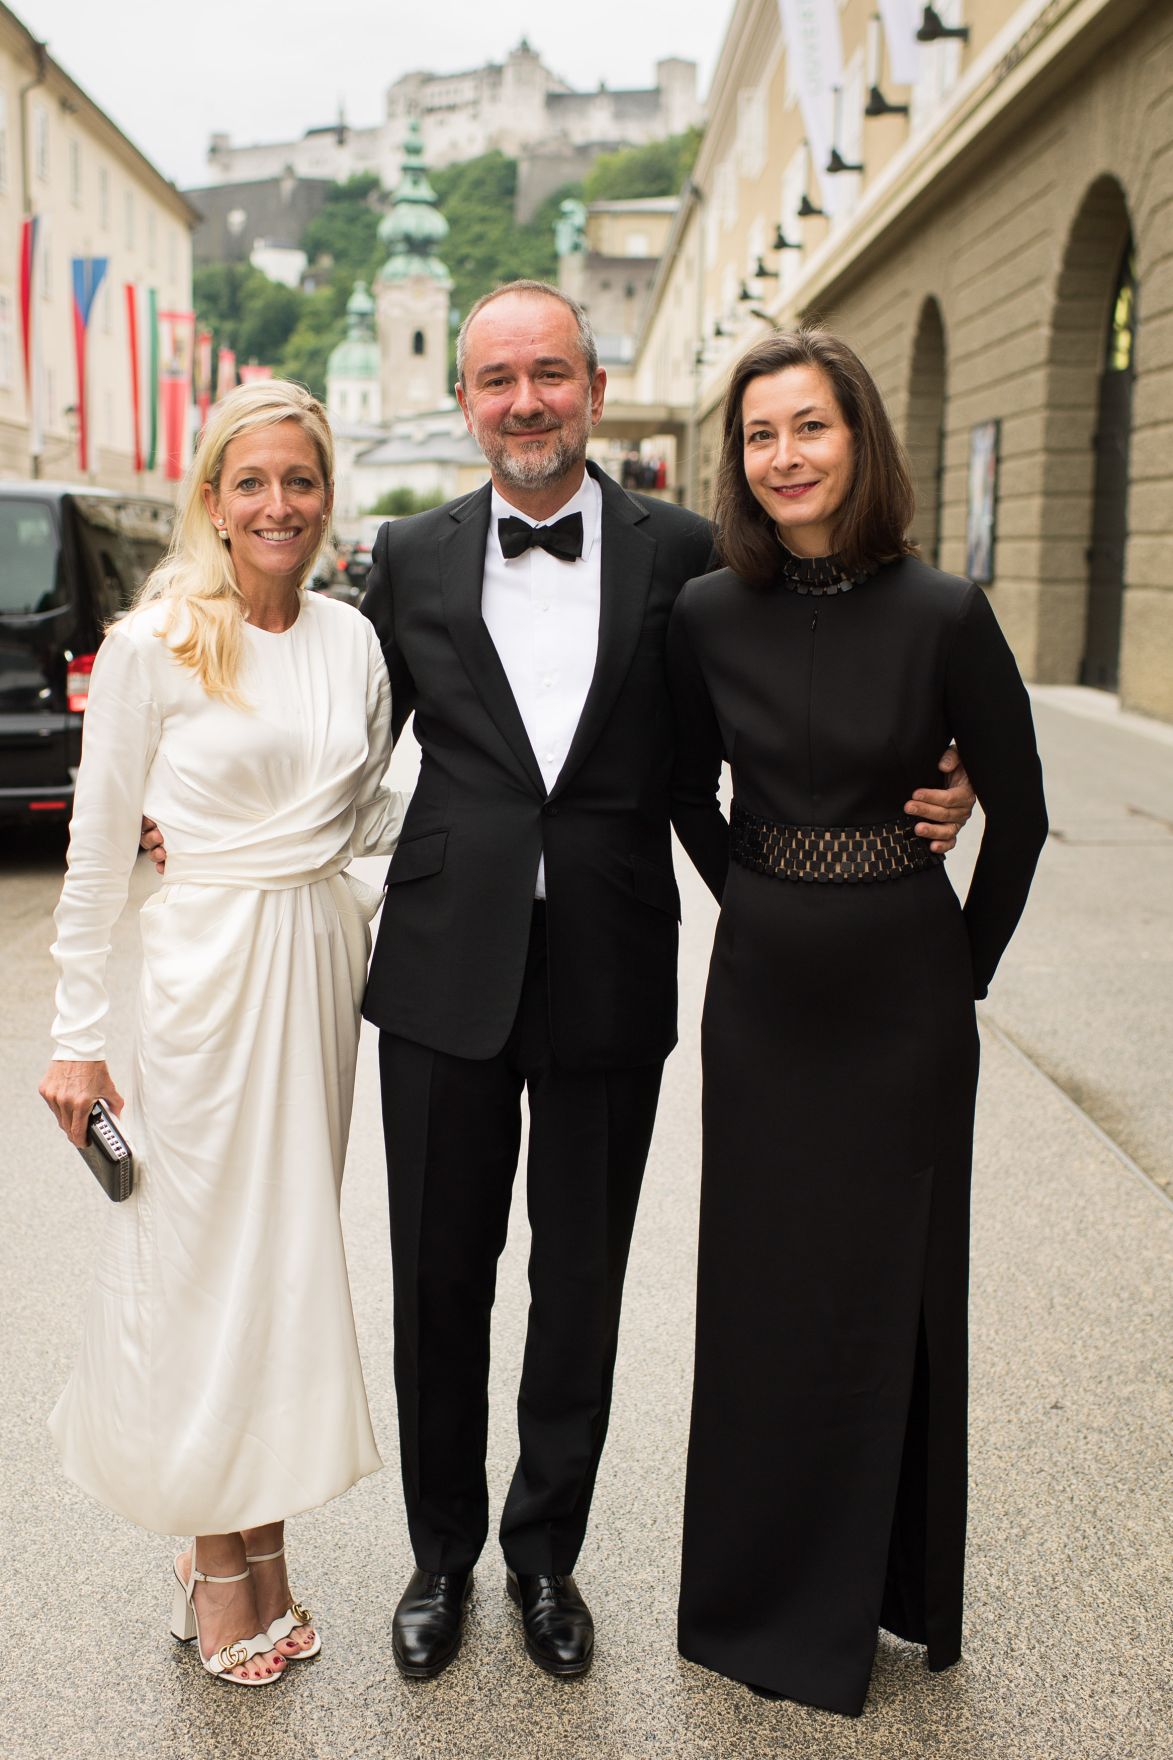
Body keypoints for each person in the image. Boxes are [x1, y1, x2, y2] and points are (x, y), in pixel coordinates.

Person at [359, 281, 975, 1681]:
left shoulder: (689, 554)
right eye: (498, 379)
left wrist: (944, 777)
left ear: (592, 384)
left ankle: (542, 1557)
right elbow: (331, 725)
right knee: (437, 1281)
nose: (526, 401)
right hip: (444, 970)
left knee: (581, 1281)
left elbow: (805, 681)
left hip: (610, 961)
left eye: (551, 374)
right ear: (466, 400)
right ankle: (440, 1555)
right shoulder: (402, 557)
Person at [667, 329, 1048, 1716]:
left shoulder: (944, 612)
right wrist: (757, 898)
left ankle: (893, 1594)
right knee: (762, 1299)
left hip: (903, 1004)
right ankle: (752, 1602)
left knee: (893, 1294)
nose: (785, 456)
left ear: (858, 438)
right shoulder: (706, 613)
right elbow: (679, 792)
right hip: (762, 1006)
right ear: (740, 460)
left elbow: (1022, 812)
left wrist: (963, 968)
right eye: (761, 435)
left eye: (809, 427)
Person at [39, 381, 404, 1687]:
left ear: (325, 497)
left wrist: (373, 883)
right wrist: (79, 1036)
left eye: (299, 480)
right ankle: (215, 1564)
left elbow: (366, 816)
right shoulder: (154, 643)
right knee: (201, 1274)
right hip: (198, 982)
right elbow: (93, 855)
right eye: (250, 481)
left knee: (284, 1272)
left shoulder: (354, 644)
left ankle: (269, 1546)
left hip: (314, 975)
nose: (277, 505)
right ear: (210, 498)